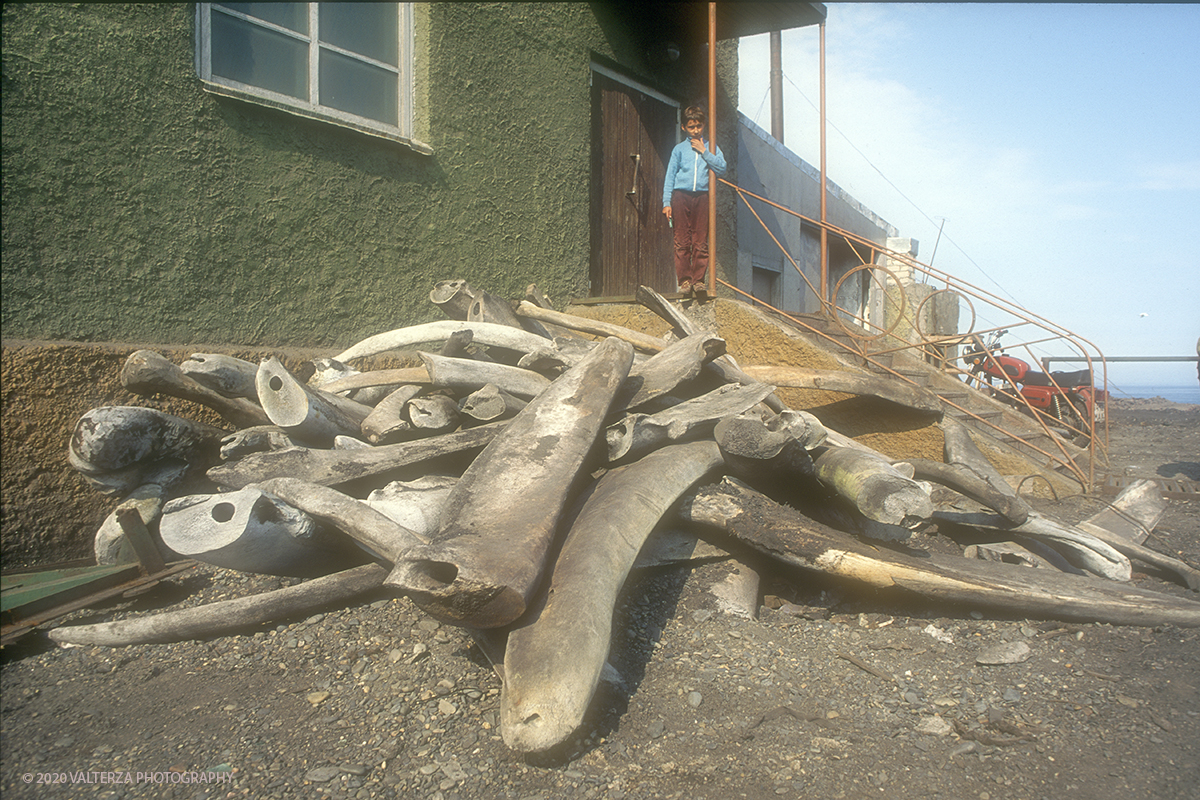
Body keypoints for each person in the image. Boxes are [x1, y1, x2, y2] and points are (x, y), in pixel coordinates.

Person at [662, 105, 726, 297]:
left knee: (700, 241)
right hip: (680, 197)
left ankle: (698, 280)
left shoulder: (711, 146)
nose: (696, 130)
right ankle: (685, 281)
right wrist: (667, 202)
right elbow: (670, 176)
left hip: (702, 197)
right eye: (691, 127)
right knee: (681, 240)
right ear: (684, 128)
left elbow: (722, 168)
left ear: (704, 125)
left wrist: (704, 152)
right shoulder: (679, 150)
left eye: (698, 126)